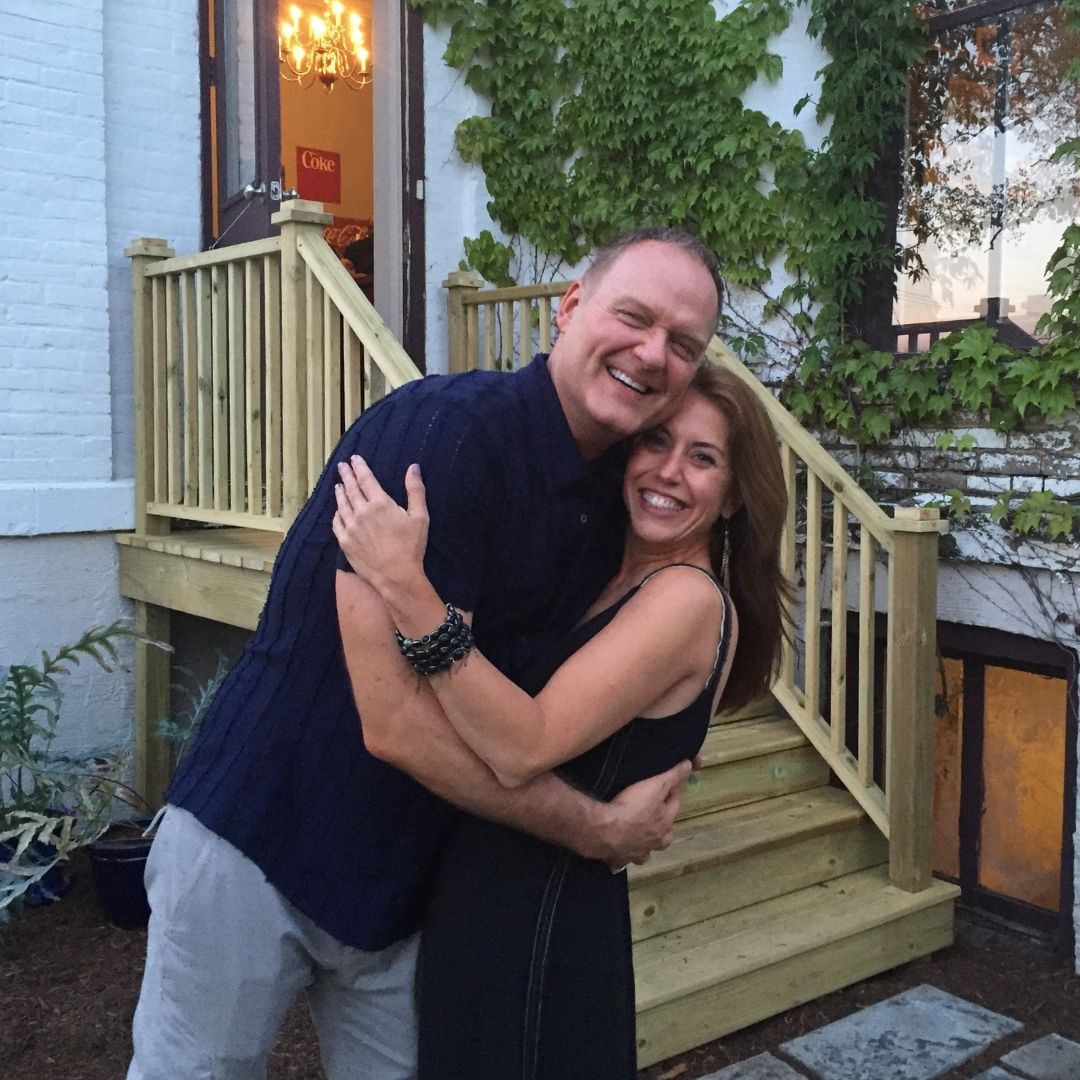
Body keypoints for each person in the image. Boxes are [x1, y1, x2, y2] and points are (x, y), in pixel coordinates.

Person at [127, 227, 724, 1080]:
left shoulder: (619, 496)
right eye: (634, 316)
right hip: (260, 841)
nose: (653, 352)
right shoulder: (437, 436)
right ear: (570, 308)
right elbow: (397, 725)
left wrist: (666, 741)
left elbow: (606, 664)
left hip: (411, 887)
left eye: (684, 344)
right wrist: (597, 828)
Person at [332, 361, 789, 1079]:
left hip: (537, 932)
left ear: (734, 495)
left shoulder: (687, 601)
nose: (669, 472)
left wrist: (407, 586)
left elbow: (525, 745)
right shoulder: (610, 571)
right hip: (486, 908)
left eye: (703, 459)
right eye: (657, 441)